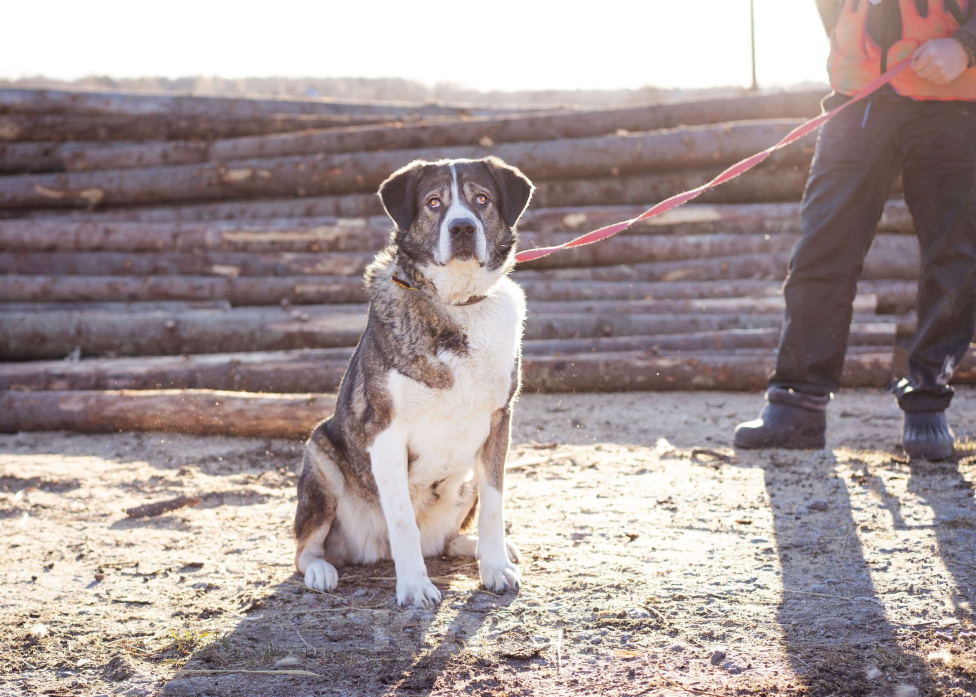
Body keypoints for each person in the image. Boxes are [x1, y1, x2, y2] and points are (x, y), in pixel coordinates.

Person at [734, 0, 976, 460]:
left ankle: (927, 399)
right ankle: (797, 402)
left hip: (954, 103)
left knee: (955, 254)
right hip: (859, 97)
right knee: (822, 246)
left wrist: (964, 46)